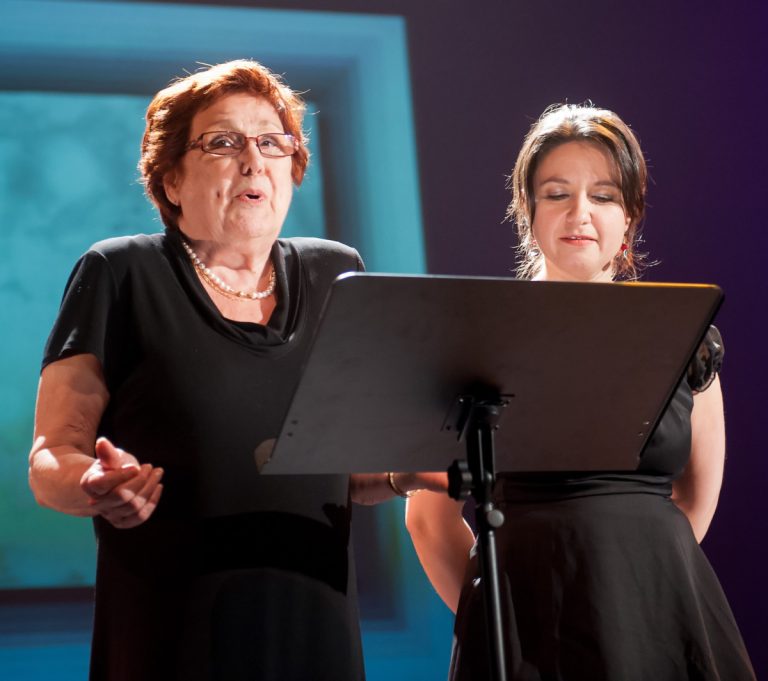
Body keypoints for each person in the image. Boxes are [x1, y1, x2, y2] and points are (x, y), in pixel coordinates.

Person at [28, 59, 443, 681]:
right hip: (173, 632)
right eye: (223, 143)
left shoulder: (338, 275)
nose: (254, 160)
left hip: (313, 620)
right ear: (170, 179)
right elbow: (50, 454)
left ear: (294, 169)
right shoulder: (121, 273)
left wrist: (408, 471)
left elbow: (341, 468)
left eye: (273, 142)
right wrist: (94, 482)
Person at [405, 103, 756, 680]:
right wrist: (495, 616)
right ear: (527, 210)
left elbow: (696, 499)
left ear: (630, 215)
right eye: (557, 193)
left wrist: (631, 594)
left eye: (605, 195)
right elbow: (428, 520)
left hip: (662, 615)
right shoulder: (474, 337)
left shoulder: (685, 334)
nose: (580, 213)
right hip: (528, 626)